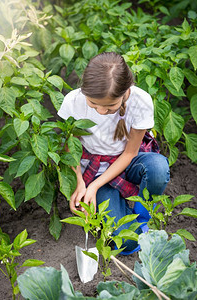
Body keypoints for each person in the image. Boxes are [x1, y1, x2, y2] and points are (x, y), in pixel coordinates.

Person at [58, 52, 170, 254]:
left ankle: (142, 214)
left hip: (128, 162)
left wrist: (94, 187)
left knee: (158, 168)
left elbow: (129, 154)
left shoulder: (141, 101)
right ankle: (121, 211)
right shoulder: (73, 101)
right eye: (93, 104)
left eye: (110, 106)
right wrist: (80, 183)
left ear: (126, 91)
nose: (101, 111)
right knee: (124, 243)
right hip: (95, 169)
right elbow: (70, 148)